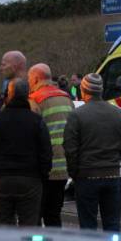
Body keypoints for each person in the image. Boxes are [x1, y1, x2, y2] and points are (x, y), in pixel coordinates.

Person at [63, 73, 121, 232]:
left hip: (87, 176)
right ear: (101, 90)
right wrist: (113, 162)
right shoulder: (118, 114)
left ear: (83, 90)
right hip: (112, 175)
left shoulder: (77, 115)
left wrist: (75, 172)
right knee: (112, 224)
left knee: (88, 225)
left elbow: (70, 149)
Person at [0, 79, 52, 226]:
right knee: (29, 224)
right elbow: (46, 151)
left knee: (3, 223)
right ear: (27, 95)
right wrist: (43, 173)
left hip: (3, 178)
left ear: (9, 94)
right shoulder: (36, 121)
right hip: (31, 179)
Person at [28, 63, 74, 227]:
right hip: (63, 167)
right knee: (54, 214)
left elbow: (31, 134)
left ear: (35, 78)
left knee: (35, 214)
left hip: (43, 168)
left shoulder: (35, 100)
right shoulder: (66, 98)